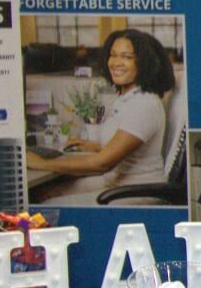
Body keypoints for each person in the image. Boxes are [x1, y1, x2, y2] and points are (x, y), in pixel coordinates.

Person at [26, 27, 174, 200]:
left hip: (136, 191)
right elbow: (127, 144)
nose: (116, 63)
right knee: (43, 194)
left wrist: (41, 163)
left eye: (127, 57)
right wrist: (94, 146)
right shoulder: (128, 98)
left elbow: (102, 164)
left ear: (144, 63)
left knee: (46, 206)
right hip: (117, 181)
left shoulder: (143, 104)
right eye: (113, 55)